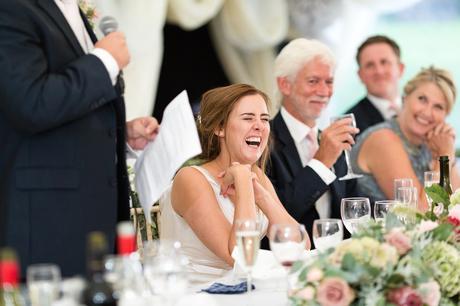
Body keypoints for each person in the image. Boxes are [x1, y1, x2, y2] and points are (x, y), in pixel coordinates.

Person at [0, 0, 159, 277]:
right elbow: (30, 103)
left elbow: (67, 107)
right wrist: (104, 61)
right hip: (48, 224)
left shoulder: (72, 10)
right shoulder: (12, 7)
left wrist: (121, 134)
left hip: (94, 221)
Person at [160, 84, 304, 284]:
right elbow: (240, 257)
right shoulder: (190, 178)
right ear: (219, 127)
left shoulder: (257, 175)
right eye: (248, 118)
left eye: (264, 119)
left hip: (245, 290)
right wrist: (244, 182)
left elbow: (299, 248)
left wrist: (261, 195)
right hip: (198, 296)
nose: (259, 126)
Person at [268, 38, 359, 239]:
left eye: (329, 81)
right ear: (285, 85)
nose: (324, 92)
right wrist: (321, 161)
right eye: (313, 81)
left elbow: (352, 207)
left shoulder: (332, 140)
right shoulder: (263, 141)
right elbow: (275, 218)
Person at [350, 67, 459, 210]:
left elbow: (454, 208)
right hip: (377, 231)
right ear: (405, 97)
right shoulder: (383, 140)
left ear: (446, 115)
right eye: (422, 99)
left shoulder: (430, 144)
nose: (427, 112)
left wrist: (443, 156)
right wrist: (445, 157)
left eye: (438, 107)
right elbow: (422, 214)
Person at [346, 35, 405, 133]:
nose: (379, 71)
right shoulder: (349, 125)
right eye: (370, 65)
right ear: (360, 75)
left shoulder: (422, 112)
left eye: (384, 62)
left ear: (401, 69)